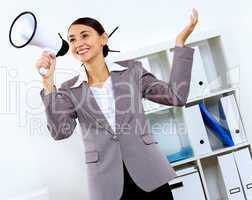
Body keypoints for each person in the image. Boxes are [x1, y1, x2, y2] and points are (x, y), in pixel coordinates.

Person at [36, 8, 198, 200]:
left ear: (103, 38)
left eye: (84, 35)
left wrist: (180, 45)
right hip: (106, 182)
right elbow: (60, 132)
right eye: (72, 39)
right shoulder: (70, 89)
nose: (78, 43)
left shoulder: (132, 71)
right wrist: (48, 82)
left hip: (149, 172)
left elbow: (176, 96)